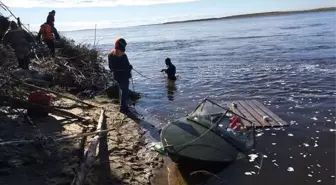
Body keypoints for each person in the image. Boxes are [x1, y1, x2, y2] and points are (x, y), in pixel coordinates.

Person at [108, 38, 134, 114]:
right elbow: (127, 67)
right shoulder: (123, 55)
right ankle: (123, 107)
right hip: (123, 76)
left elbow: (110, 67)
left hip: (116, 76)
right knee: (124, 91)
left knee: (121, 90)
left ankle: (122, 105)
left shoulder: (110, 54)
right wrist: (129, 68)